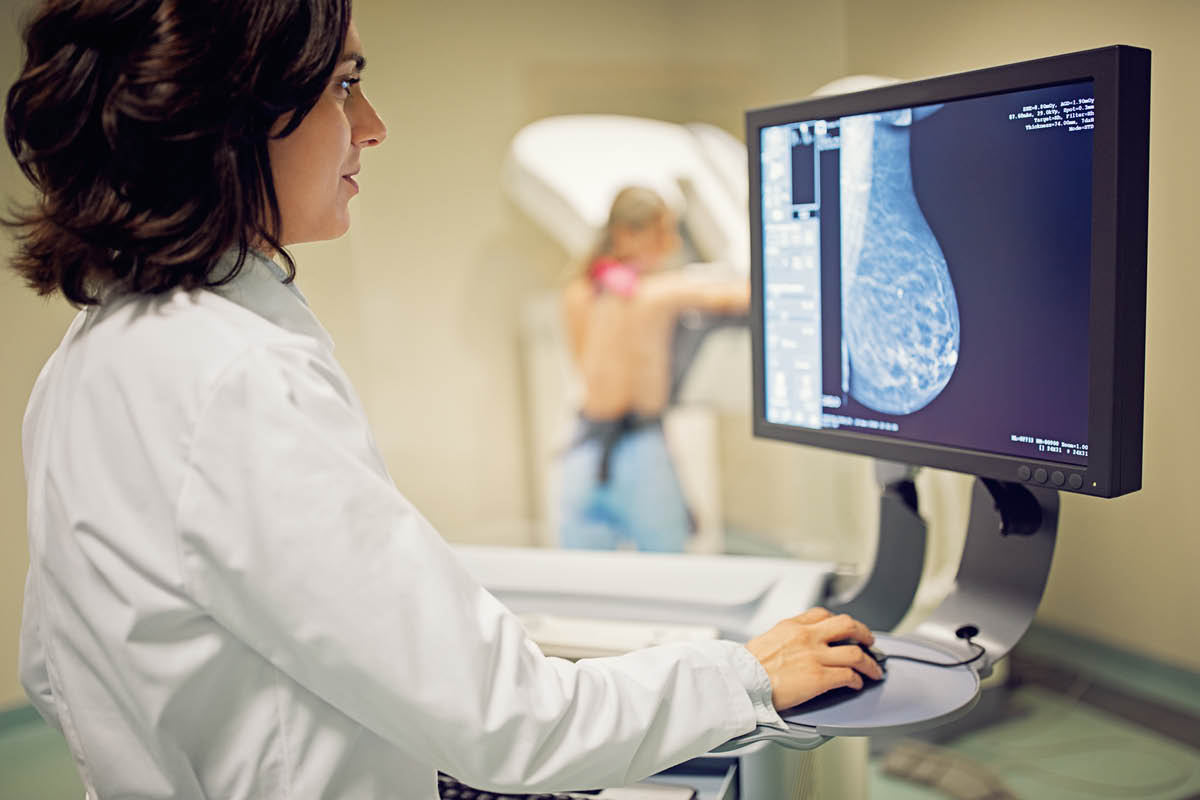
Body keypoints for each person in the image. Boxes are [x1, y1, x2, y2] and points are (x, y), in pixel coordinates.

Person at [5, 2, 884, 798]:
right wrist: (743, 676)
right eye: (345, 86)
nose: (374, 126)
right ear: (229, 114)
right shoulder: (235, 379)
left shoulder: (87, 361)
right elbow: (516, 723)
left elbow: (53, 668)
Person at [560, 186, 749, 551]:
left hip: (583, 448)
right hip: (635, 448)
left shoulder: (577, 293)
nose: (671, 244)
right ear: (625, 234)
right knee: (668, 567)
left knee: (583, 580)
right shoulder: (658, 294)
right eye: (661, 232)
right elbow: (745, 296)